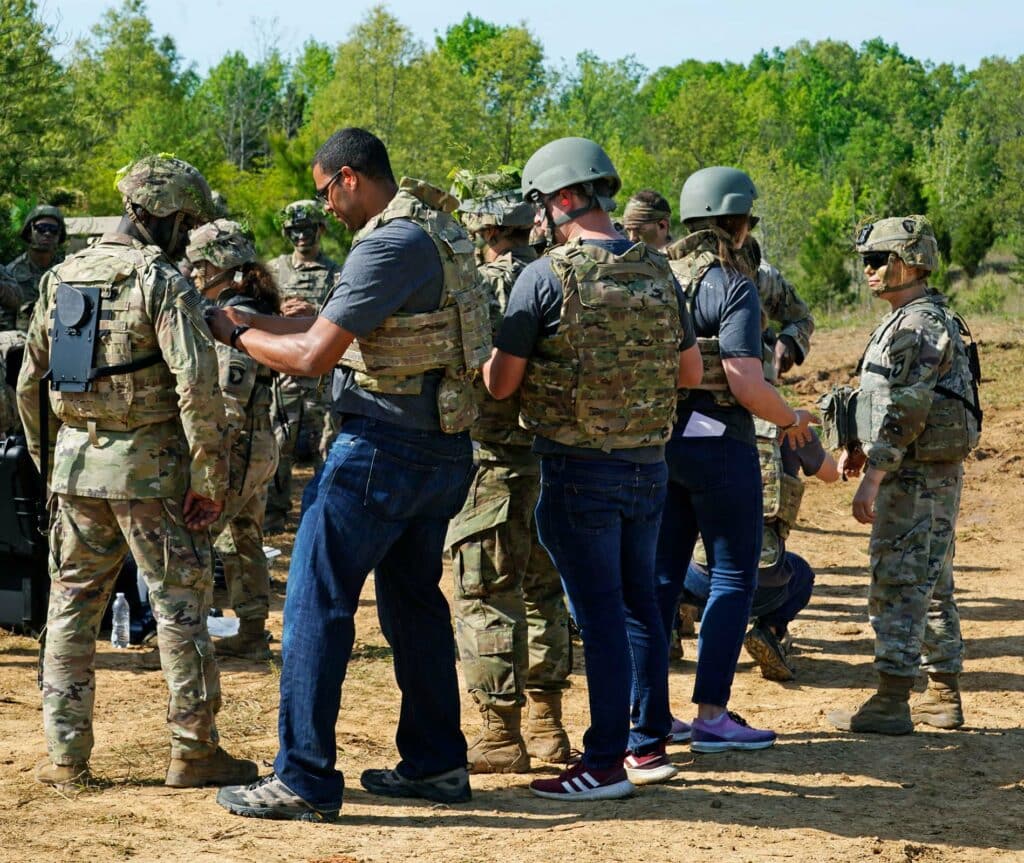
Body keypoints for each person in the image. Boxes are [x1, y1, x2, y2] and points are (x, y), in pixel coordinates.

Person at [211, 127, 489, 822]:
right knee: (414, 605)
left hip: (380, 450)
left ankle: (302, 775)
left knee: (315, 602)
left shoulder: (385, 244)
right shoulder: (435, 231)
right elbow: (355, 326)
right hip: (442, 448)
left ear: (349, 179)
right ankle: (437, 764)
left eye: (323, 192)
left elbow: (310, 357)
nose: (324, 210)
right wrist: (269, 317)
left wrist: (236, 333)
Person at [16, 155, 257, 789]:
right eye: (185, 221)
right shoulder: (161, 281)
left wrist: (52, 466)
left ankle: (66, 758)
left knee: (71, 607)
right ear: (166, 215)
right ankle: (193, 749)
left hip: (75, 473)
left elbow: (28, 384)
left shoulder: (65, 276)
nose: (188, 234)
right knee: (180, 607)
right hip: (150, 477)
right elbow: (197, 386)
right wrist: (209, 478)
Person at [484, 136, 703, 800]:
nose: (540, 220)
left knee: (601, 615)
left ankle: (604, 761)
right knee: (642, 608)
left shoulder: (543, 276)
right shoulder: (660, 272)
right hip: (649, 467)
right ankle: (647, 744)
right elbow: (690, 371)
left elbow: (499, 385)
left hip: (578, 470)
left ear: (564, 198)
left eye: (543, 205)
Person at [657, 166, 816, 753]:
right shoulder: (734, 282)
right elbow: (745, 380)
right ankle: (712, 715)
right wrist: (789, 418)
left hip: (661, 440)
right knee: (731, 578)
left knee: (662, 577)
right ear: (738, 222)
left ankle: (648, 714)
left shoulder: (659, 273)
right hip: (719, 441)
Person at [826, 215, 980, 735]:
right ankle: (943, 696)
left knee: (898, 578)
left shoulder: (916, 324)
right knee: (932, 578)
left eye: (878, 260)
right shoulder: (918, 317)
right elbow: (882, 400)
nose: (868, 270)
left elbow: (907, 408)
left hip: (912, 474)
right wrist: (856, 445)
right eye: (865, 261)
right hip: (921, 469)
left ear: (909, 264)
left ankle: (893, 700)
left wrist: (874, 472)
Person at [445, 168, 571, 774]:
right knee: (545, 592)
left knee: (485, 596)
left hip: (492, 464)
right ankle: (548, 725)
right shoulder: (562, 278)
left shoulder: (474, 289)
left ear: (481, 226)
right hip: (557, 462)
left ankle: (500, 734)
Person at [184, 220, 281, 660]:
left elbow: (229, 402)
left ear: (223, 266)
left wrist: (208, 464)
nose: (195, 273)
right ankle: (253, 632)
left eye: (202, 265)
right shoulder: (252, 308)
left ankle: (188, 636)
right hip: (260, 446)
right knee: (243, 537)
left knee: (198, 539)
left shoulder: (232, 317)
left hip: (240, 449)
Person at [685, 430, 839, 681]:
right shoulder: (793, 429)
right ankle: (770, 628)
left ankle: (672, 627)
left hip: (703, 582)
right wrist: (805, 436)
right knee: (802, 574)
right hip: (765, 588)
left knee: (671, 562)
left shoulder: (709, 423)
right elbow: (832, 474)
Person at [262, 201, 342, 533]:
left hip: (322, 373)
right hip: (284, 370)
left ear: (321, 230)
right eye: (295, 231)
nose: (302, 238)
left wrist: (315, 310)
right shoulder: (274, 270)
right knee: (278, 442)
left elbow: (344, 313)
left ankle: (326, 512)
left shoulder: (336, 272)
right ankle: (273, 514)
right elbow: (257, 310)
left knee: (328, 442)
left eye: (308, 230)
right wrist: (279, 309)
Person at [6, 205, 66, 332]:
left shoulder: (68, 270)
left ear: (59, 235)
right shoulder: (11, 273)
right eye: (41, 228)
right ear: (29, 232)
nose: (47, 233)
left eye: (53, 229)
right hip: (22, 341)